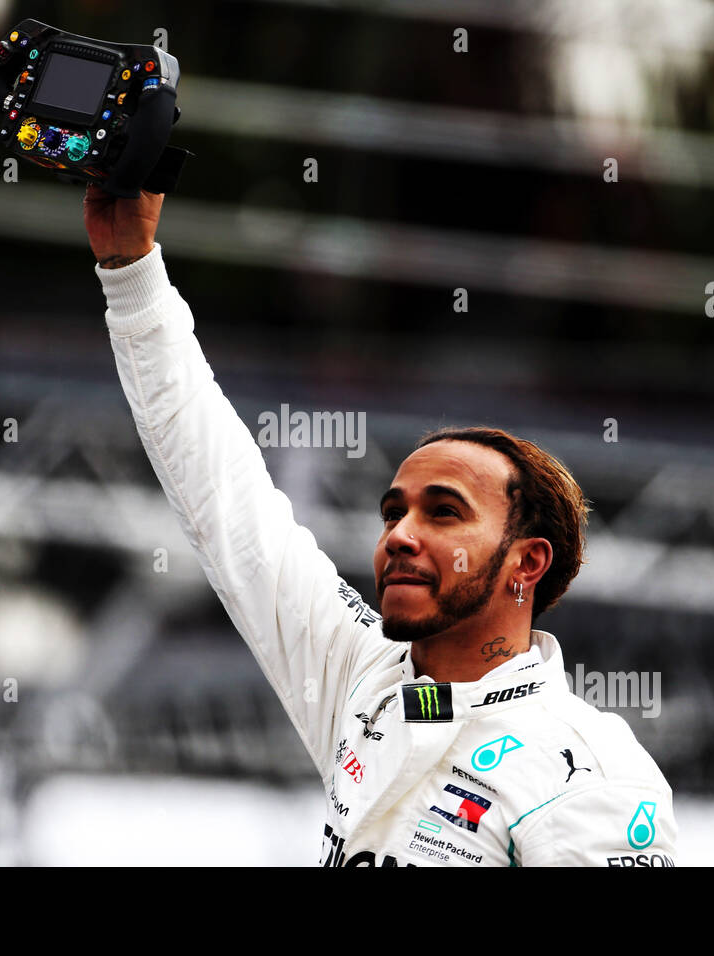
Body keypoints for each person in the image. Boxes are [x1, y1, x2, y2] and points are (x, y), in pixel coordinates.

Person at [84, 185, 678, 867]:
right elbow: (224, 499)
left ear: (527, 563)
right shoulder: (364, 676)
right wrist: (131, 269)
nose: (399, 534)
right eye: (394, 511)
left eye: (444, 512)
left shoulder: (591, 776)